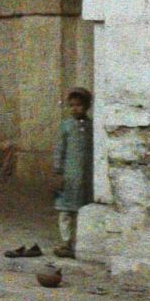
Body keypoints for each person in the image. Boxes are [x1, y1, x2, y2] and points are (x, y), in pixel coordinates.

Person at [52, 87, 94, 258]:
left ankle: (81, 244)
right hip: (69, 176)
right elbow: (59, 150)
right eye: (72, 105)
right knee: (66, 211)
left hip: (86, 177)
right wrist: (58, 172)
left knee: (84, 210)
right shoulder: (66, 126)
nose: (75, 109)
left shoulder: (92, 127)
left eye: (79, 105)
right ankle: (66, 242)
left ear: (87, 106)